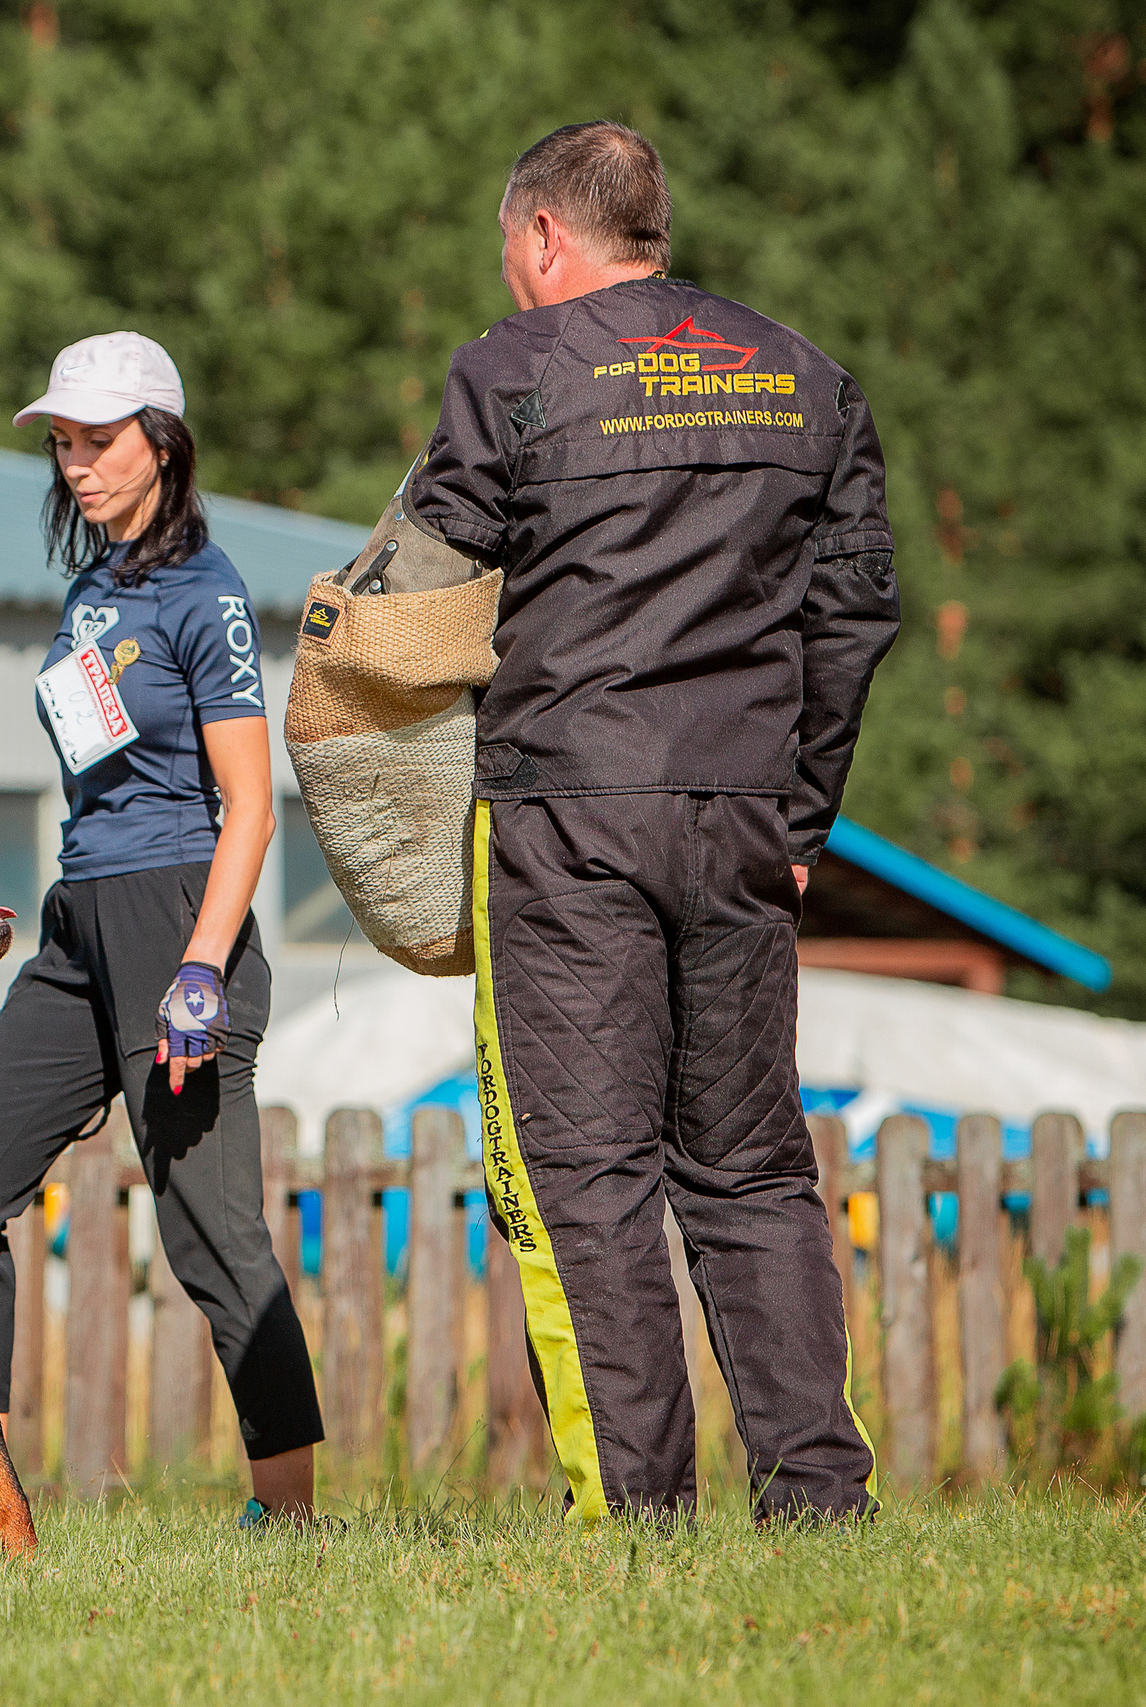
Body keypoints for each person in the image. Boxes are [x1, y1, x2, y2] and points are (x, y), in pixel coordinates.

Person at [407, 121, 900, 1523]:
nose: (508, 277)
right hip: (746, 816)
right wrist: (799, 814)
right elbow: (853, 612)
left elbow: (423, 584)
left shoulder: (510, 372)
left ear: (549, 236)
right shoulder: (806, 376)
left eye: (511, 250)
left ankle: (641, 1518)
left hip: (568, 817)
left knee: (585, 1177)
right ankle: (819, 1497)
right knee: (751, 1167)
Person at [0, 330, 326, 1530]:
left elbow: (252, 808)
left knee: (212, 1239)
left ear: (161, 441)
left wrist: (202, 972)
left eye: (99, 440)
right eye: (62, 441)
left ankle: (292, 1522)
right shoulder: (93, 586)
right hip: (80, 923)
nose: (77, 463)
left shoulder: (203, 593)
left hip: (178, 922)